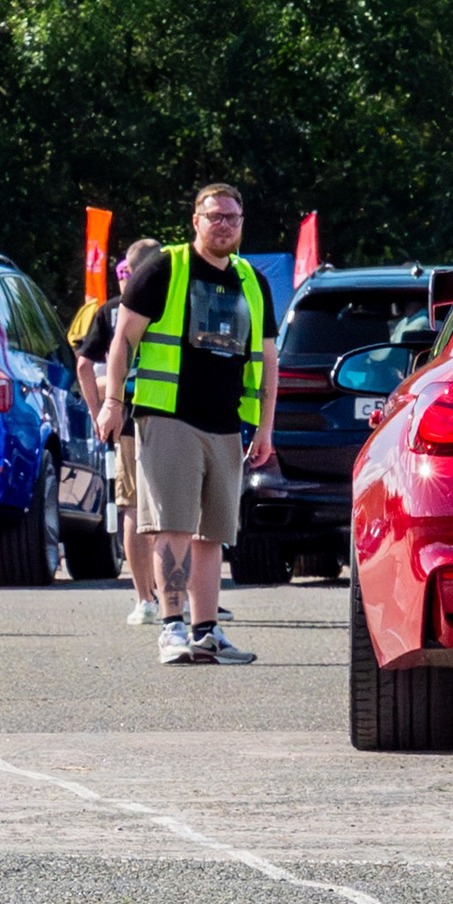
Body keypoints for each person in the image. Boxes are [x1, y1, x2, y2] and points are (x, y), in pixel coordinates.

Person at [97, 185, 278, 664]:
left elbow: (267, 357)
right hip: (168, 416)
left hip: (226, 423)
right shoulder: (164, 268)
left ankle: (206, 631)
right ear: (195, 220)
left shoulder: (251, 281)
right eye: (215, 216)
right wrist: (112, 402)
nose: (224, 225)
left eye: (233, 218)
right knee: (172, 525)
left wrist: (264, 428)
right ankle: (172, 628)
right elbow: (121, 341)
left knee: (212, 533)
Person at [79, 237, 166, 623]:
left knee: (132, 507)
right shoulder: (175, 303)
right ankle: (185, 597)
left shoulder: (111, 311)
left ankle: (145, 599)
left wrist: (100, 412)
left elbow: (83, 366)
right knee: (174, 511)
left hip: (128, 418)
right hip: (172, 413)